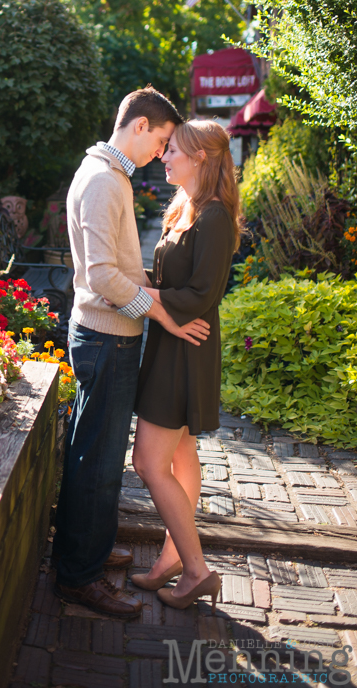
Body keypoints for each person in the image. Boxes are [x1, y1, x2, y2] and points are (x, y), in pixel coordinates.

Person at [53, 88, 212, 618]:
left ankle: (89, 552)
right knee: (97, 463)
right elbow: (101, 276)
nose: (162, 153)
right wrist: (163, 312)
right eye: (162, 140)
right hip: (106, 336)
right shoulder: (103, 179)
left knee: (93, 453)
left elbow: (116, 267)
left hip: (105, 334)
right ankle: (79, 576)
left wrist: (154, 287)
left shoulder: (107, 173)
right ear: (140, 126)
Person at [129, 119, 242, 614]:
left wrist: (137, 295)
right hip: (170, 341)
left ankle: (196, 571)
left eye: (171, 150)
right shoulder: (184, 207)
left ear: (200, 157)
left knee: (148, 464)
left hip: (185, 347)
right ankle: (170, 562)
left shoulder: (214, 216)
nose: (164, 156)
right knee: (180, 458)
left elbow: (203, 294)